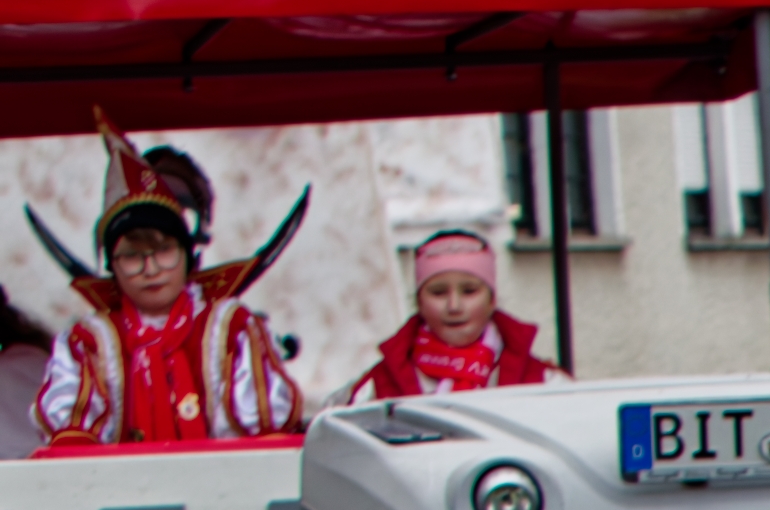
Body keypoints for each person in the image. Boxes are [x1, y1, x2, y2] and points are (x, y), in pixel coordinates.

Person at [36, 169, 301, 450]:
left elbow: (267, 439)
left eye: (164, 250)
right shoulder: (91, 341)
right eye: (131, 256)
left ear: (187, 255)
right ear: (112, 268)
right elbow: (73, 446)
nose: (150, 269)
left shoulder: (232, 327)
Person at [353, 228, 549, 400]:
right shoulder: (374, 388)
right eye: (438, 292)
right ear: (419, 302)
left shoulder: (545, 383)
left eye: (469, 291)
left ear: (492, 300)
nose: (454, 306)